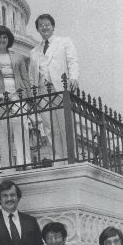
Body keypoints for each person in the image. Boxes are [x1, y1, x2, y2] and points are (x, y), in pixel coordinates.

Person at [0, 25, 31, 168]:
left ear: (8, 39)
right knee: (3, 132)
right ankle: (7, 165)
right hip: (0, 98)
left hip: (17, 94)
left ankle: (24, 162)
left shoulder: (18, 56)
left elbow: (24, 77)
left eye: (5, 37)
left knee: (22, 128)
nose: (2, 40)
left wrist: (27, 96)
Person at [29, 14, 79, 160]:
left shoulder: (64, 42)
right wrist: (34, 93)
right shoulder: (34, 51)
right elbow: (32, 74)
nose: (44, 27)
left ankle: (70, 156)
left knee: (65, 124)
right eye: (41, 25)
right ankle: (56, 157)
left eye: (47, 24)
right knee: (49, 127)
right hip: (42, 91)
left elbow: (72, 61)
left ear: (53, 26)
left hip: (60, 87)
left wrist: (74, 77)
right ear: (38, 29)